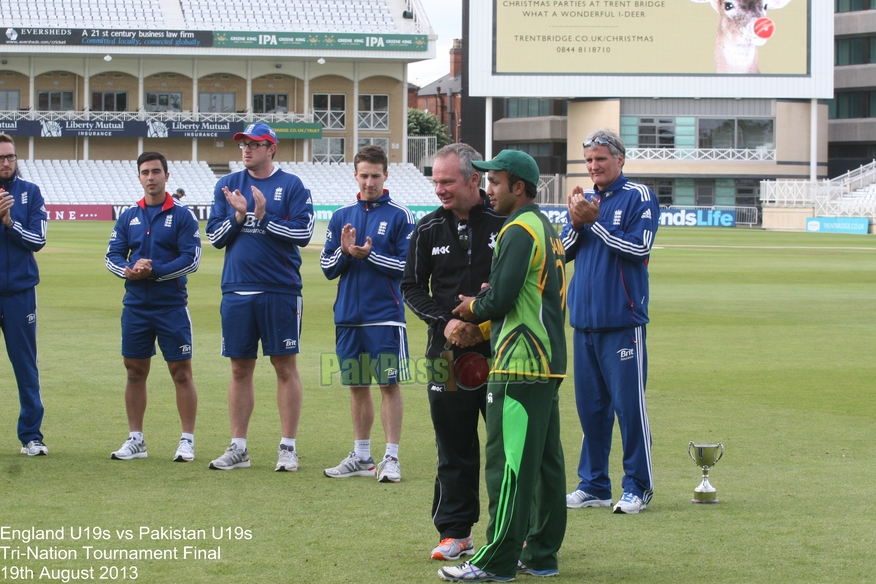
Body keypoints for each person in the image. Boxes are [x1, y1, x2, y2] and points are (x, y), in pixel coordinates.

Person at [440, 150, 567, 582]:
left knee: (507, 465)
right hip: (547, 362)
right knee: (546, 466)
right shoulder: (546, 229)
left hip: (520, 363)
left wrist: (468, 307)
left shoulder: (517, 229)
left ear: (519, 187)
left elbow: (500, 299)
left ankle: (496, 560)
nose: (487, 190)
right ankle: (542, 555)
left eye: (494, 182)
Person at [400, 143, 506, 561]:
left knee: (507, 446)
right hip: (444, 355)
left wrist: (479, 324)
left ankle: (515, 531)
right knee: (453, 444)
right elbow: (411, 287)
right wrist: (446, 323)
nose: (439, 189)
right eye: (436, 182)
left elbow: (517, 285)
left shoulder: (505, 223)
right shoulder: (427, 229)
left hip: (500, 352)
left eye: (447, 181)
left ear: (473, 179)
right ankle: (455, 533)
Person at [205, 122, 314, 472]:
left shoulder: (292, 185)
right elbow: (215, 237)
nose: (247, 150)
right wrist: (239, 216)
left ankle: (288, 447)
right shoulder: (227, 184)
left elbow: (303, 232)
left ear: (272, 148)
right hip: (236, 289)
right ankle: (238, 447)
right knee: (239, 368)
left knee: (284, 366)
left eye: (255, 144)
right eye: (243, 145)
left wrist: (262, 218)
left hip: (279, 289)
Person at [561, 128, 659, 515]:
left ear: (619, 159)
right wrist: (578, 221)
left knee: (628, 408)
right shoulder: (584, 200)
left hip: (622, 321)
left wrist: (596, 222)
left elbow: (639, 248)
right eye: (588, 160)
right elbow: (562, 253)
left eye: (600, 158)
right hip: (583, 322)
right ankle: (594, 484)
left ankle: (638, 486)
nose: (594, 166)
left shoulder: (639, 196)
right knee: (590, 410)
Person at [320, 145, 416, 483]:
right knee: (357, 385)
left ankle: (391, 457)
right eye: (364, 175)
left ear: (386, 175)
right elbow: (327, 267)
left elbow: (408, 267)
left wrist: (368, 256)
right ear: (355, 175)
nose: (369, 182)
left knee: (388, 385)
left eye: (376, 176)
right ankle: (362, 456)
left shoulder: (401, 216)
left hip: (384, 317)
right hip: (348, 317)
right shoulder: (340, 215)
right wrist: (347, 255)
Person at [105, 151, 201, 462]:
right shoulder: (129, 215)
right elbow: (113, 254)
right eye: (145, 172)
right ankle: (136, 440)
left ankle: (187, 440)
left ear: (167, 176)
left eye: (156, 171)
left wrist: (154, 271)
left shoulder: (183, 216)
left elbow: (192, 259)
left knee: (181, 373)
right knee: (134, 372)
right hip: (135, 306)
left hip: (171, 305)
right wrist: (128, 269)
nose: (151, 177)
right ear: (139, 177)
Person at [0, 133, 48, 457]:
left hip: (19, 293)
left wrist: (8, 222)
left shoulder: (30, 193)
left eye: (10, 157)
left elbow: (39, 239)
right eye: (1, 158)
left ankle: (31, 436)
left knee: (25, 366)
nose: (6, 163)